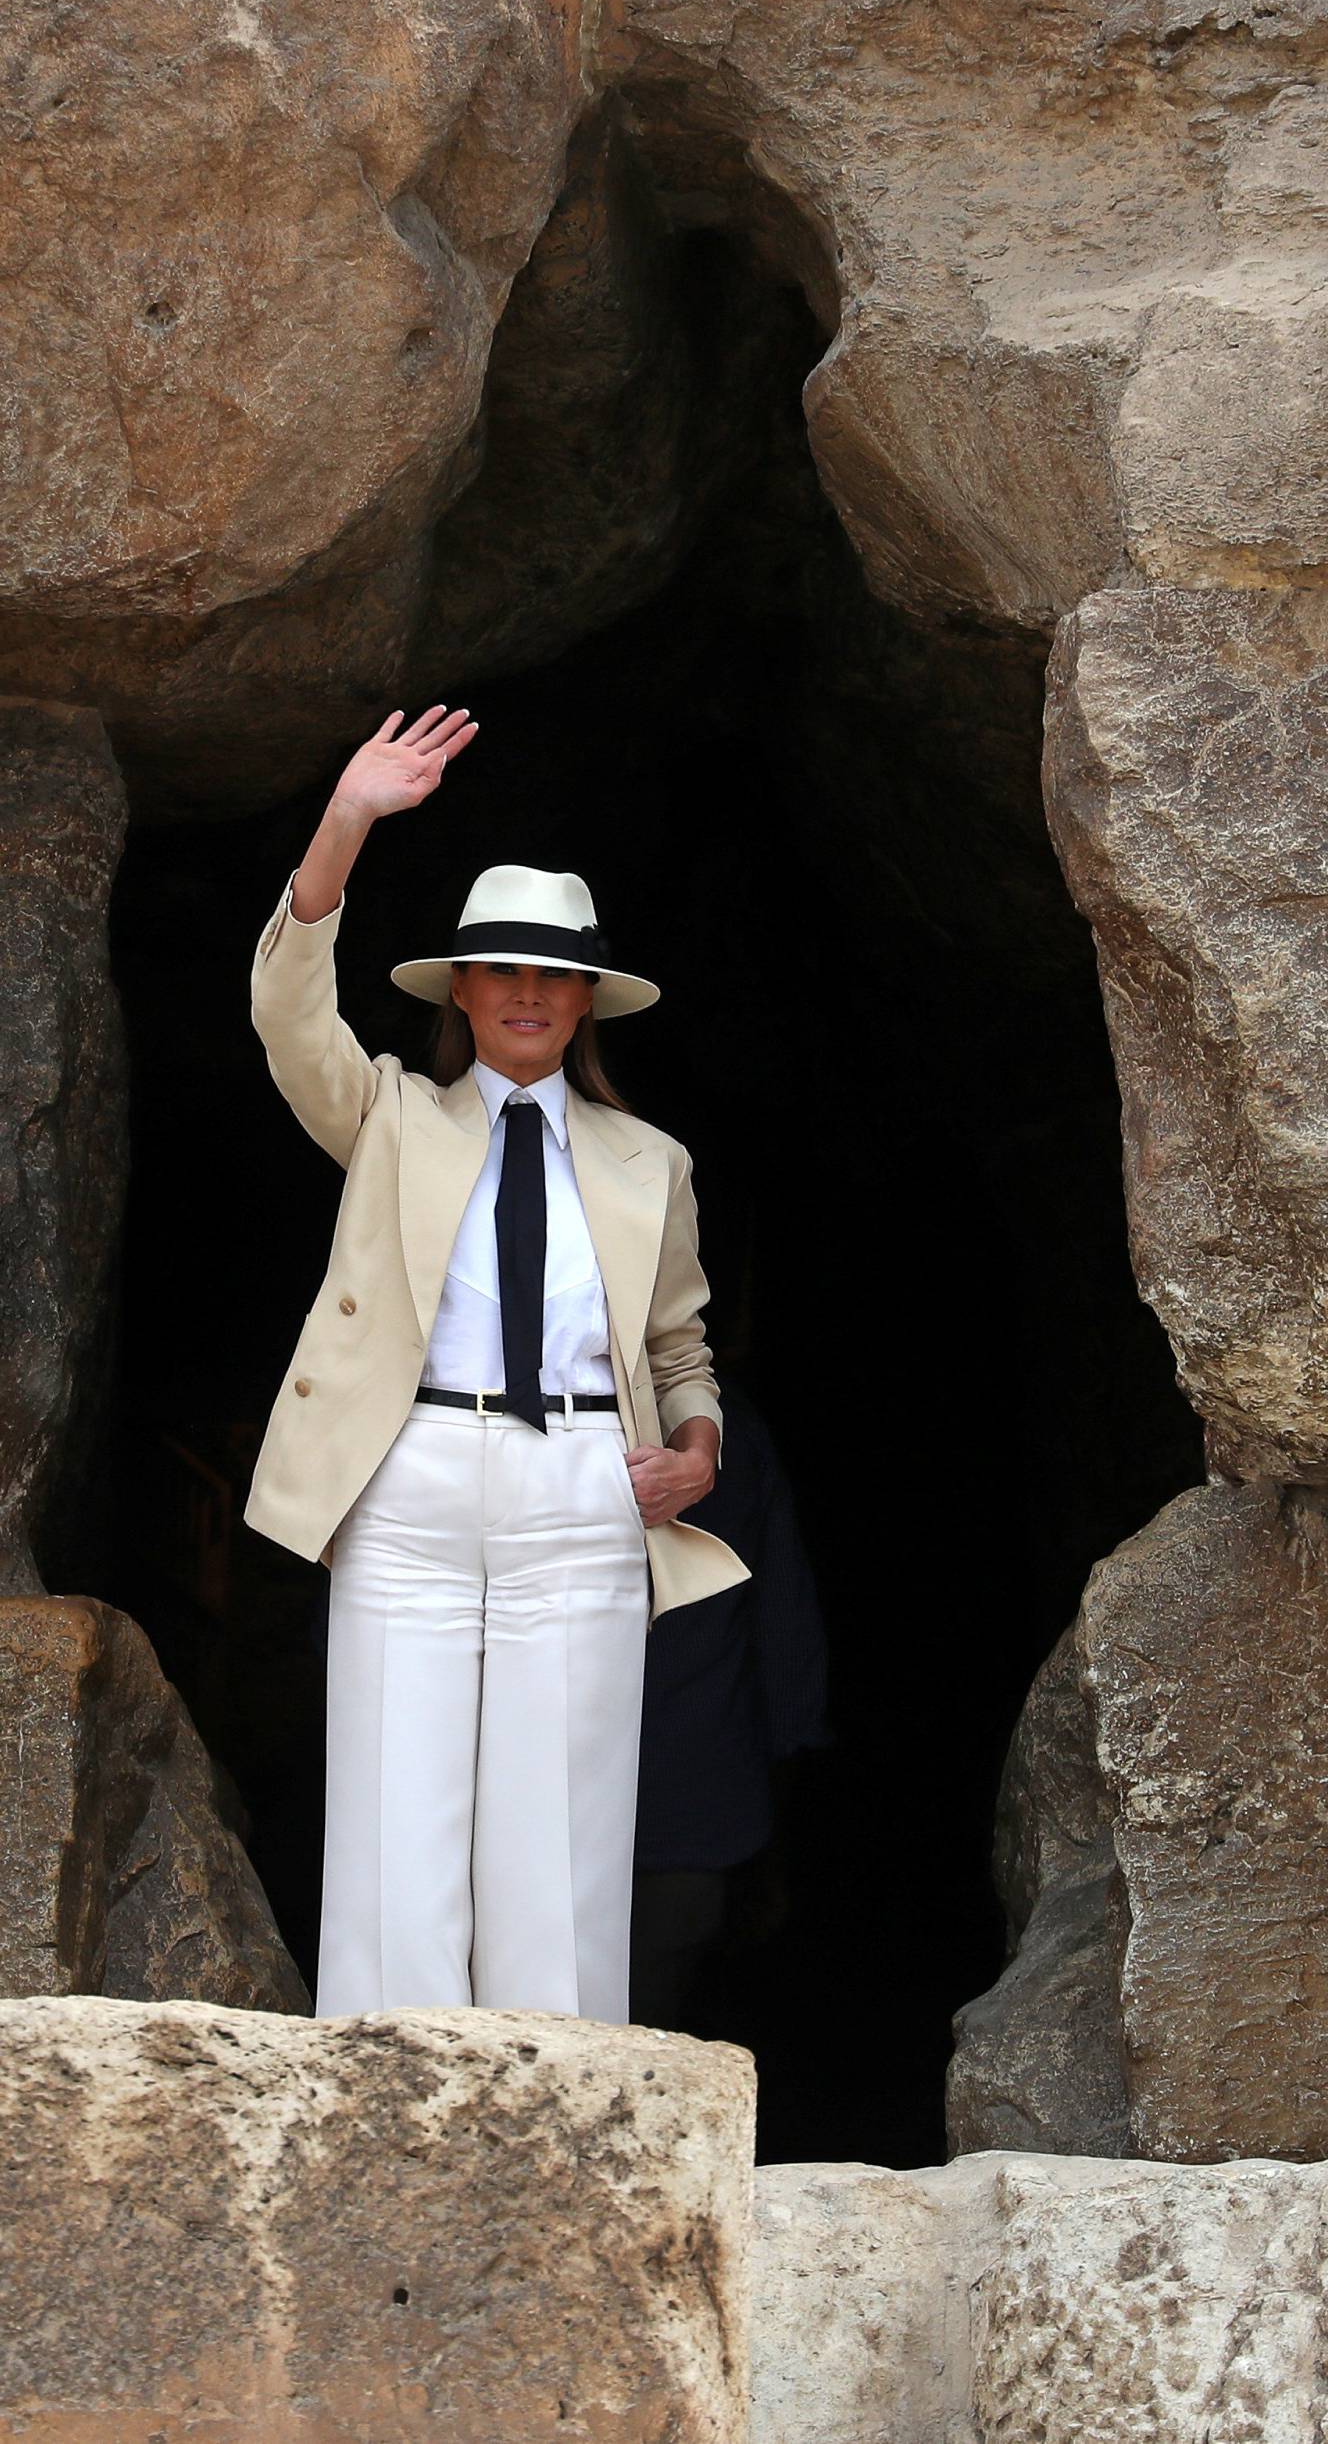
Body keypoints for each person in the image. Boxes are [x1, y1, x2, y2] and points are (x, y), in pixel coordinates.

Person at [245, 703, 748, 2023]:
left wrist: (695, 1453)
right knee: (393, 1838)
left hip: (586, 1485)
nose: (527, 994)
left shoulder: (651, 1162)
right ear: (461, 990)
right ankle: (384, 2121)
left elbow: (678, 1345)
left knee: (563, 1845)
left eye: (553, 974)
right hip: (408, 1477)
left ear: (583, 998)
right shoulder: (395, 1120)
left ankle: (561, 2123)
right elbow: (289, 1017)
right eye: (500, 971)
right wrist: (345, 821)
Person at [628, 1373, 831, 2027]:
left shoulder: (729, 1435)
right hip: (692, 1788)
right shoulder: (731, 1431)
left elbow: (779, 1617)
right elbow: (781, 1621)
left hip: (678, 1789)